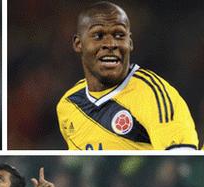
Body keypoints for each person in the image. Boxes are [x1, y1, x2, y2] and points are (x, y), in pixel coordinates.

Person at [56, 1, 199, 150]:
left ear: (129, 43)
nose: (111, 44)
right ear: (78, 43)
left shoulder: (153, 94)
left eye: (119, 35)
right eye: (98, 36)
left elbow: (182, 163)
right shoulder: (69, 105)